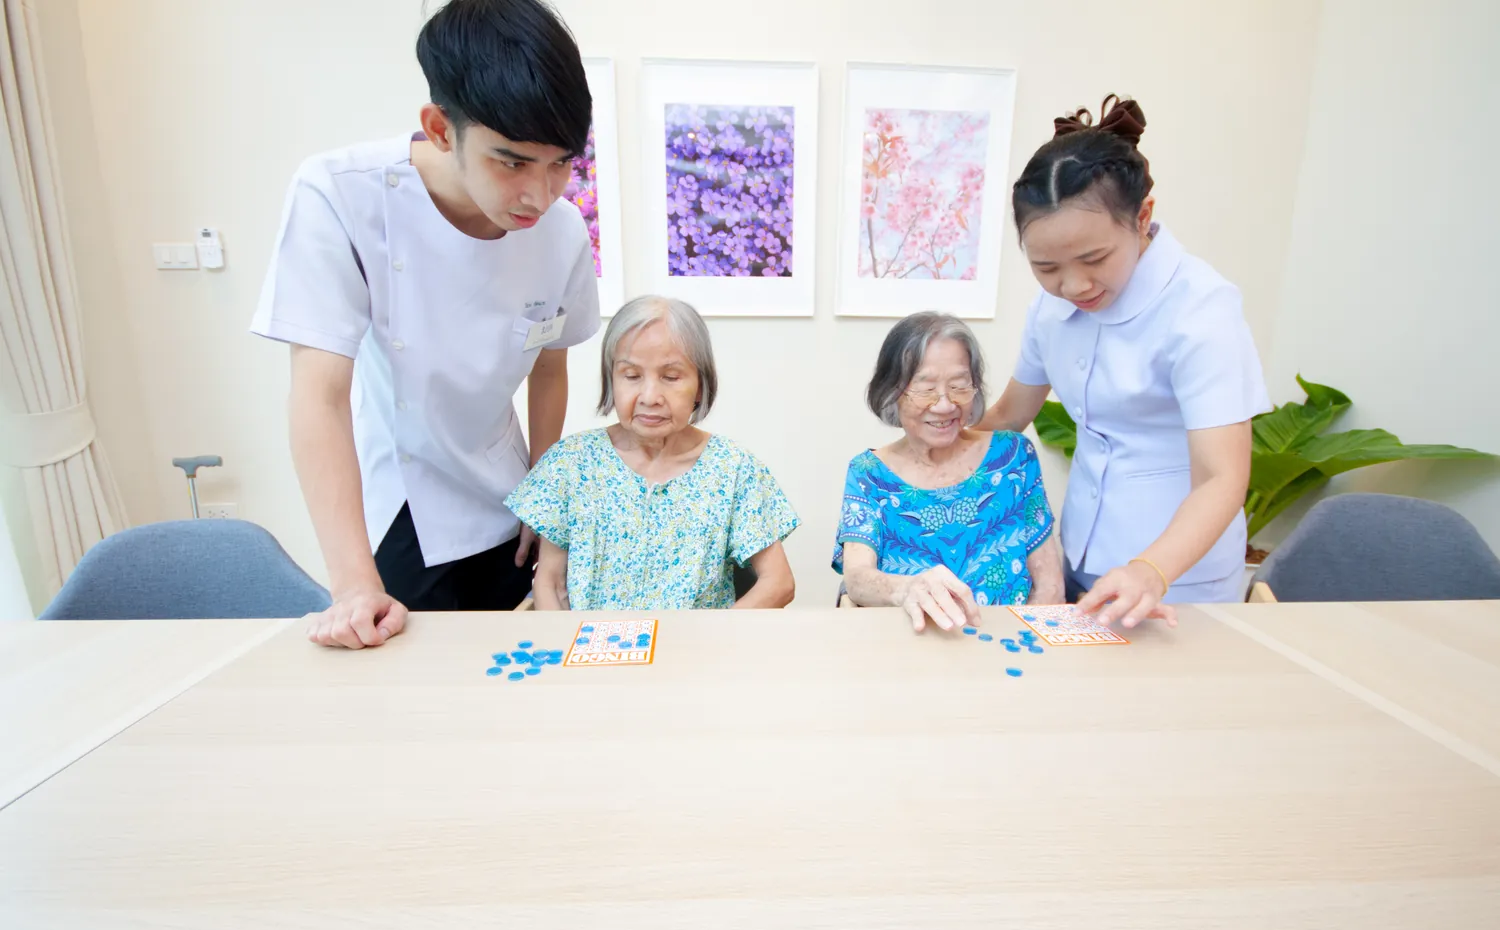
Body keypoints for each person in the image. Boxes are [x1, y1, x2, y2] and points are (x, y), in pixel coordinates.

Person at [250, 0, 601, 648]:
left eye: (561, 163)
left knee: (514, 669)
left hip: (505, 493)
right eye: (512, 162)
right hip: (404, 502)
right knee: (410, 683)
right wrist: (353, 584)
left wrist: (544, 494)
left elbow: (549, 368)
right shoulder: (340, 194)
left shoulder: (562, 231)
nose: (540, 194)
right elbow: (320, 396)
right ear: (440, 128)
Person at [976, 95, 1270, 628]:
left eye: (1094, 259)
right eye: (1047, 267)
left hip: (1179, 578)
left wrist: (1151, 570)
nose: (1074, 285)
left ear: (1142, 218)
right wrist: (920, 452)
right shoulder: (1050, 310)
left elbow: (1222, 476)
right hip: (1083, 555)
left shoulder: (1201, 310)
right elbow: (1010, 414)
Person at [506, 296, 799, 610]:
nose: (649, 397)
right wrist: (566, 640)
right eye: (631, 376)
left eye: (670, 377)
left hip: (698, 642)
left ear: (700, 385)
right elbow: (549, 583)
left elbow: (779, 583)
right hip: (591, 641)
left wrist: (717, 634)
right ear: (611, 379)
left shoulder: (734, 469)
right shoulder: (571, 462)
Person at [835, 313, 1063, 633]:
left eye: (958, 386)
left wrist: (1023, 647)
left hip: (1008, 648)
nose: (945, 405)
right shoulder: (869, 473)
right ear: (891, 392)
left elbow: (1050, 587)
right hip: (911, 648)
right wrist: (907, 589)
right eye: (926, 388)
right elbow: (858, 579)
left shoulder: (1012, 457)